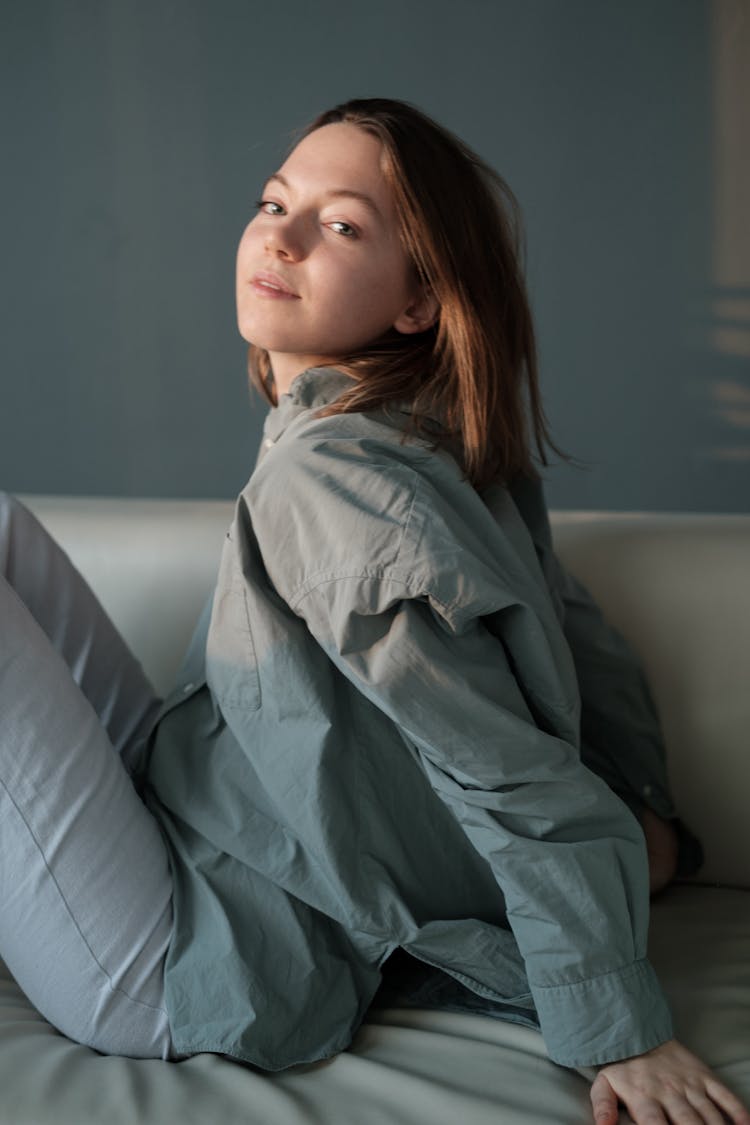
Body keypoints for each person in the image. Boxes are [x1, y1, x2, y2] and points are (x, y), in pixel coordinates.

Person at [0, 97, 747, 1125]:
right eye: (275, 201)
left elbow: (501, 762)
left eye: (342, 225)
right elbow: (584, 642)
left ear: (417, 304)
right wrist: (646, 818)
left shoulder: (336, 482)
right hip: (201, 810)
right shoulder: (437, 441)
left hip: (185, 953)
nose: (281, 233)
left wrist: (620, 1025)